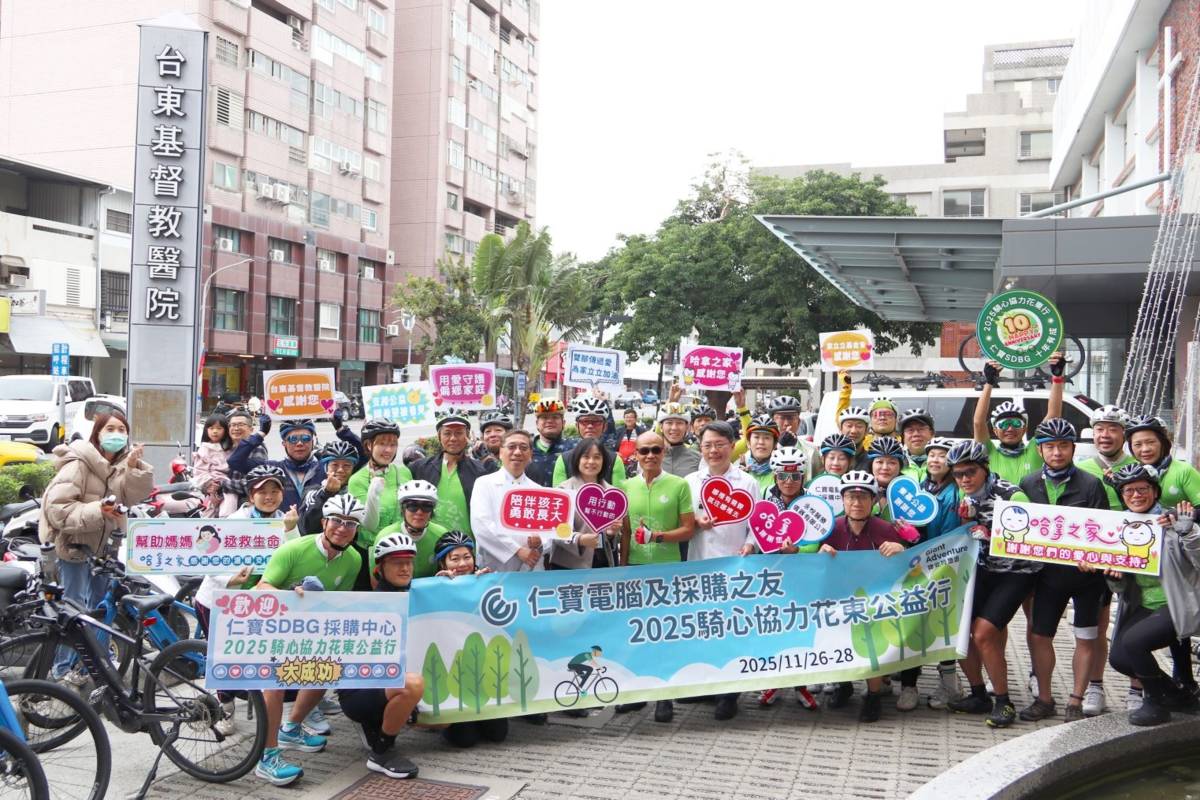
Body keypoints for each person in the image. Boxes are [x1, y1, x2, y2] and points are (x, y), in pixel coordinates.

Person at [253, 493, 366, 786]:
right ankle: (266, 757)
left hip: (312, 629)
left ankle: (291, 728)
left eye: (351, 523)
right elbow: (262, 586)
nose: (342, 528)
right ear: (324, 521)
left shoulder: (353, 559)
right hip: (275, 625)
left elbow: (338, 603)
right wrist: (292, 596)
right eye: (337, 521)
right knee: (274, 687)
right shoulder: (296, 548)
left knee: (326, 671)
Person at [40, 410, 153, 684]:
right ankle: (63, 670)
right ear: (98, 433)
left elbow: (135, 496)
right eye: (110, 429)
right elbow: (58, 510)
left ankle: (92, 665)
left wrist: (136, 468)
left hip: (104, 551)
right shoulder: (78, 463)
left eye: (121, 429)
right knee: (74, 610)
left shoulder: (118, 464)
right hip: (75, 547)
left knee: (101, 609)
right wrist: (98, 510)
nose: (116, 434)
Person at [194, 464, 300, 735]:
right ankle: (225, 709)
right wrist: (231, 579)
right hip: (219, 600)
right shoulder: (234, 522)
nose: (269, 496)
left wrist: (289, 529)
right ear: (250, 496)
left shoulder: (286, 520)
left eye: (275, 490)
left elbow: (297, 559)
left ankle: (277, 712)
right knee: (224, 656)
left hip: (260, 603)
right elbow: (207, 557)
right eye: (262, 491)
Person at [1019, 418, 1110, 724]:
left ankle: (1076, 699)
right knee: (1040, 635)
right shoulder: (1029, 483)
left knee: (1085, 637)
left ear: (1073, 448)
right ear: (1040, 450)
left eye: (1063, 446)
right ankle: (1045, 698)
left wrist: (1093, 557)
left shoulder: (1091, 484)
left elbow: (1104, 532)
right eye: (1050, 447)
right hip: (1047, 576)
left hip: (1087, 578)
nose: (1056, 453)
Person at [943, 440, 1035, 729]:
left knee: (983, 634)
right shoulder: (962, 494)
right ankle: (978, 693)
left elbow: (1031, 538)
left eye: (970, 472)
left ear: (985, 468)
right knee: (956, 629)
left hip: (1016, 572)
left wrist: (993, 534)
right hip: (982, 570)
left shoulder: (1012, 495)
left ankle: (1003, 701)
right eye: (957, 474)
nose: (964, 479)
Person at [1104, 464, 1200, 725]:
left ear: (1155, 491)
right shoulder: (1119, 527)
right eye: (1129, 491)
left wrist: (1188, 531)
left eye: (1143, 489)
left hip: (1177, 603)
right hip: (1144, 604)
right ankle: (1178, 695)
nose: (1136, 495)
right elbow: (1121, 585)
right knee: (1119, 658)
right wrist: (1113, 577)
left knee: (1135, 642)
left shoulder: (1173, 522)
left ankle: (1155, 703)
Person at [616, 430, 695, 722]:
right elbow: (624, 531)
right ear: (635, 454)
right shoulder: (624, 486)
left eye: (656, 450)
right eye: (644, 451)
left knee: (663, 635)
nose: (650, 456)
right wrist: (622, 567)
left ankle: (665, 697)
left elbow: (689, 529)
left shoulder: (679, 485)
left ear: (664, 453)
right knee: (636, 635)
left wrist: (658, 536)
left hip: (668, 569)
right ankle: (637, 694)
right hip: (635, 570)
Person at [817, 471, 908, 722]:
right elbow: (809, 562)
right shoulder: (831, 527)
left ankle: (873, 695)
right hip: (840, 599)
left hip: (876, 601)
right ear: (842, 500)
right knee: (837, 635)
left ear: (873, 500)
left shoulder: (885, 528)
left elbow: (914, 562)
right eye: (851, 497)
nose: (856, 503)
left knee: (873, 641)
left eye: (863, 497)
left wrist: (902, 548)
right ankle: (844, 686)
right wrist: (819, 551)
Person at [683, 421, 759, 722]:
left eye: (720, 444)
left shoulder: (748, 482)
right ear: (700, 448)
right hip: (699, 563)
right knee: (704, 624)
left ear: (732, 446)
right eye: (707, 445)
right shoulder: (689, 481)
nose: (714, 450)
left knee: (730, 627)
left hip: (734, 564)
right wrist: (694, 525)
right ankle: (706, 683)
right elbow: (683, 522)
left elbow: (756, 523)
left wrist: (750, 545)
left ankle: (730, 692)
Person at [336, 532, 424, 779]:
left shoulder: (417, 594)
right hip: (359, 689)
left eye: (409, 562)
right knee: (412, 685)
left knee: (443, 722)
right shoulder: (367, 603)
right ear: (380, 568)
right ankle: (381, 752)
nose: (405, 568)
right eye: (397, 563)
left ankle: (377, 724)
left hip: (389, 682)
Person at [1074, 404, 1134, 716]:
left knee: (1137, 621)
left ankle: (1138, 689)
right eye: (1099, 429)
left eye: (1112, 429)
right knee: (1097, 625)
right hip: (1096, 560)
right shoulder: (1082, 467)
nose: (1105, 435)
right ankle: (1095, 687)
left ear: (1123, 434)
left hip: (1134, 556)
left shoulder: (1139, 464)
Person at [430, 531, 506, 747]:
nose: (462, 563)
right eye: (454, 559)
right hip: (451, 672)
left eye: (467, 557)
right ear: (442, 563)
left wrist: (489, 586)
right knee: (464, 739)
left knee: (497, 734)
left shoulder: (484, 582)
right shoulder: (434, 587)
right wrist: (435, 590)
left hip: (483, 671)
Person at [227, 412, 362, 512]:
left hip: (316, 537)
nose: (299, 443)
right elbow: (235, 461)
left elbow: (365, 456)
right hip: (281, 534)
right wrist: (260, 434)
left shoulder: (327, 468)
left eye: (305, 438)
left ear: (313, 441)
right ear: (283, 443)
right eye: (292, 439)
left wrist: (342, 430)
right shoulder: (272, 468)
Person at [970, 355, 1065, 486]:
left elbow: (1053, 416)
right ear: (995, 431)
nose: (1010, 429)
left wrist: (1057, 378)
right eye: (1003, 424)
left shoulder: (1034, 450)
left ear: (1025, 428)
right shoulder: (989, 452)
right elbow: (978, 422)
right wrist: (989, 383)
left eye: (1016, 423)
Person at [348, 418, 413, 589]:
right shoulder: (357, 480)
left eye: (393, 444)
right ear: (369, 445)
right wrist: (373, 495)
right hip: (371, 551)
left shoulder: (404, 472)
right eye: (382, 444)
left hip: (402, 549)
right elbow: (369, 524)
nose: (388, 450)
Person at [470, 429, 547, 572]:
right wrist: (517, 550)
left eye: (524, 448)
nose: (517, 452)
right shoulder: (484, 483)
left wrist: (541, 540)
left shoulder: (539, 490)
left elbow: (551, 531)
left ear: (530, 454)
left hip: (532, 569)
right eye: (511, 447)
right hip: (495, 568)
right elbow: (481, 526)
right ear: (500, 452)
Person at [410, 414, 488, 534]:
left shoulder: (480, 471)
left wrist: (487, 458)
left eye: (458, 433)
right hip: (429, 543)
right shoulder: (420, 468)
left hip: (466, 547)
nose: (453, 438)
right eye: (447, 433)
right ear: (439, 436)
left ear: (467, 436)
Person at [553, 438, 623, 569]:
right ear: (577, 459)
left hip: (602, 562)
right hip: (568, 565)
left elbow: (613, 538)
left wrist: (611, 533)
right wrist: (579, 539)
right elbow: (555, 530)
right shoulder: (563, 491)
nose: (591, 462)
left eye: (597, 457)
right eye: (586, 456)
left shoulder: (612, 493)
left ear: (604, 461)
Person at [372, 480, 449, 580]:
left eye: (426, 506)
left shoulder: (441, 535)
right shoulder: (385, 536)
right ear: (403, 509)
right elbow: (376, 579)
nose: (419, 512)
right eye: (412, 506)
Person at [551, 398, 628, 487]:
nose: (590, 426)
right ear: (577, 426)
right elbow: (559, 497)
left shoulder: (615, 460)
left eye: (596, 422)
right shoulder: (564, 460)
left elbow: (619, 497)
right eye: (585, 421)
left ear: (605, 426)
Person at [1125, 415, 1200, 506]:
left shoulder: (1184, 471)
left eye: (1151, 442)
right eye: (1137, 444)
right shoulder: (1128, 473)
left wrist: (1179, 514)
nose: (1145, 449)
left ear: (1163, 443)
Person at [299, 439, 361, 535]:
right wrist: (326, 493)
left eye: (347, 465)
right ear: (326, 468)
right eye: (335, 465)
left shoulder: (358, 491)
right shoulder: (312, 491)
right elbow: (305, 527)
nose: (340, 470)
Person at [193, 412, 237, 516]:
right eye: (211, 428)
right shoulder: (204, 449)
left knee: (230, 502)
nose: (215, 431)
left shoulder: (231, 448)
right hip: (210, 486)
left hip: (227, 485)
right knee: (209, 511)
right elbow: (199, 471)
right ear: (206, 430)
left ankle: (226, 523)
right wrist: (210, 484)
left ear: (226, 430)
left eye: (219, 428)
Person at [527, 399, 577, 486]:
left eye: (555, 417)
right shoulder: (525, 449)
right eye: (544, 417)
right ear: (537, 423)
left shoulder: (576, 448)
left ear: (563, 423)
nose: (549, 421)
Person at [865, 436, 906, 522]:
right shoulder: (859, 488)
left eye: (892, 463)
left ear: (900, 467)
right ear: (871, 465)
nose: (885, 467)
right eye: (879, 462)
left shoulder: (908, 492)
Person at [658, 403, 701, 477]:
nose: (674, 428)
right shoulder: (651, 457)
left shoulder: (698, 459)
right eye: (669, 423)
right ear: (661, 427)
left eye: (679, 423)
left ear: (687, 427)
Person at [741, 415, 780, 493]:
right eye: (756, 437)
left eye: (767, 438)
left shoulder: (780, 474)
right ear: (748, 443)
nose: (761, 442)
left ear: (775, 444)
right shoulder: (739, 472)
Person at [898, 408, 935, 481]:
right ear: (903, 437)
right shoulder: (896, 463)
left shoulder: (945, 463)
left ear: (932, 434)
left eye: (921, 429)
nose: (916, 434)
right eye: (910, 430)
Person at [837, 405, 872, 469]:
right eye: (849, 426)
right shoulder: (832, 459)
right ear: (840, 429)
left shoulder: (872, 461)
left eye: (859, 426)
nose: (853, 431)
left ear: (866, 431)